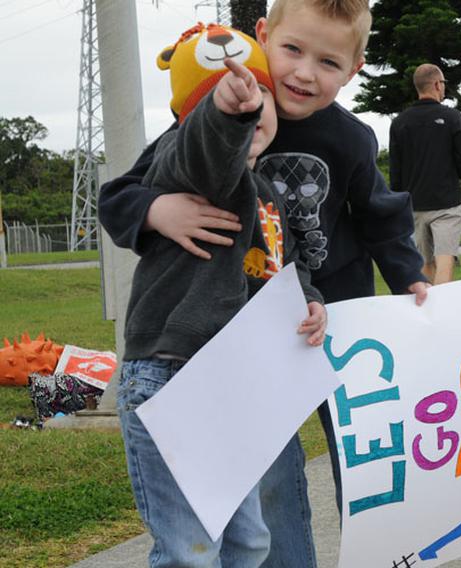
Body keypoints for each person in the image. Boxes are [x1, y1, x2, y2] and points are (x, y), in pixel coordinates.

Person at [98, 2, 430, 566]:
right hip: (244, 339)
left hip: (332, 314)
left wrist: (409, 279)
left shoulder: (349, 136)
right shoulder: (216, 110)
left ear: (354, 68)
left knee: (361, 455)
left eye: (328, 61)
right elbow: (124, 192)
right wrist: (157, 210)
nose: (304, 73)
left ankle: (380, 554)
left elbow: (382, 214)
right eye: (292, 51)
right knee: (270, 474)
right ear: (260, 38)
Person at [115, 24, 326, 567]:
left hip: (235, 387)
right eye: (221, 95)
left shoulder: (268, 190)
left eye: (260, 96)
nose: (250, 105)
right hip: (172, 377)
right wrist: (223, 115)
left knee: (250, 541)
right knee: (191, 551)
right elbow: (203, 152)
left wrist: (310, 300)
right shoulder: (188, 164)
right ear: (190, 119)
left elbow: (283, 266)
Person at [389, 63, 461, 285]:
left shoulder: (399, 122)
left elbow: (395, 171)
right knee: (444, 263)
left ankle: (426, 316)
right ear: (437, 84)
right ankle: (442, 317)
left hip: (414, 205)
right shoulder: (452, 117)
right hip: (447, 203)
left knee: (424, 266)